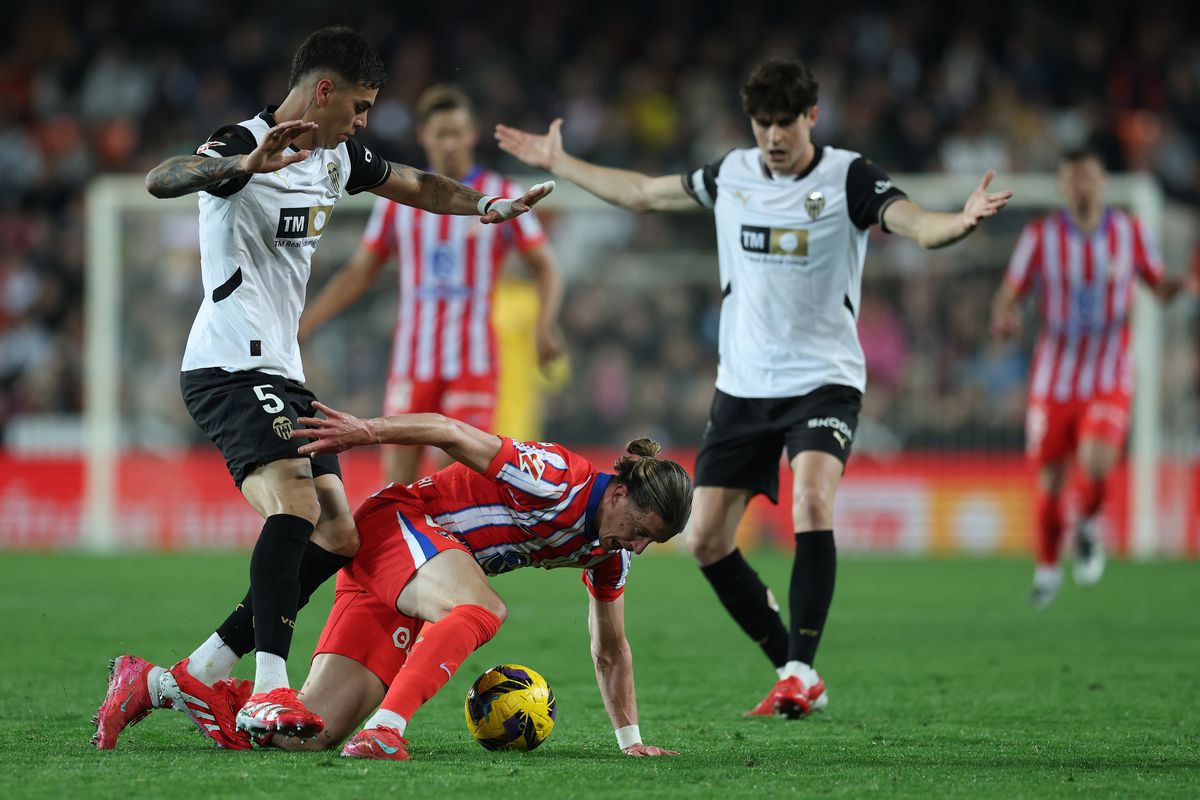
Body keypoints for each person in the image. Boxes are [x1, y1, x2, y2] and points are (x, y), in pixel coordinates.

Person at [496, 59, 1012, 718]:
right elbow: (644, 193)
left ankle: (799, 670)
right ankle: (794, 668)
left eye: (784, 123)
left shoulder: (847, 176)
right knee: (706, 539)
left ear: (812, 118)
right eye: (762, 123)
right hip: (743, 385)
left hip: (824, 380)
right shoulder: (732, 174)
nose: (773, 136)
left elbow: (913, 222)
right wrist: (561, 163)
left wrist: (958, 223)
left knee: (812, 501)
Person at [92, 26, 552, 749]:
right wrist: (242, 165)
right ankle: (269, 690)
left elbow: (417, 185)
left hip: (283, 373)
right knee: (297, 505)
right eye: (360, 105)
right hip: (228, 366)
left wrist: (485, 208)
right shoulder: (241, 143)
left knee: (340, 533)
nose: (364, 120)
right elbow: (162, 178)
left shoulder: (337, 157)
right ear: (325, 90)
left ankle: (180, 678)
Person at [100, 401, 694, 761]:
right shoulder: (560, 476)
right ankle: (387, 730)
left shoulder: (607, 553)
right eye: (640, 529)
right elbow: (448, 431)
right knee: (481, 609)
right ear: (620, 493)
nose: (638, 547)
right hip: (399, 526)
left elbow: (611, 648)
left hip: (418, 575)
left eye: (651, 542)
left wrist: (630, 740)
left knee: (308, 733)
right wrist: (366, 431)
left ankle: (158, 684)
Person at [299, 84, 564, 486]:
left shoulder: (503, 195)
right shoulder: (397, 200)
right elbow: (359, 272)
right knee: (397, 484)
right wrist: (307, 324)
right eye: (441, 134)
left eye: (457, 133)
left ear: (473, 134)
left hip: (473, 361)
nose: (450, 143)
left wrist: (544, 326)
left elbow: (546, 266)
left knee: (453, 478)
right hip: (412, 362)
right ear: (424, 136)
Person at [990, 147, 1196, 608]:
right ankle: (1047, 571)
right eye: (1072, 178)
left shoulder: (1131, 233)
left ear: (1103, 181)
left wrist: (1177, 285)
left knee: (1098, 461)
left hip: (1109, 370)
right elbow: (1008, 294)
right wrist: (1003, 318)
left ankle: (1087, 523)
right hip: (1053, 377)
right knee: (1050, 483)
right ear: (1062, 186)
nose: (1081, 185)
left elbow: (1157, 285)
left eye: (1088, 176)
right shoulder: (1040, 237)